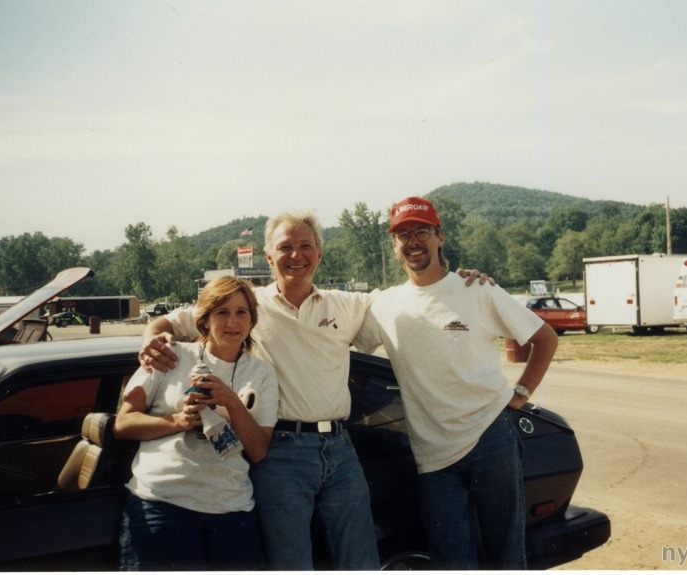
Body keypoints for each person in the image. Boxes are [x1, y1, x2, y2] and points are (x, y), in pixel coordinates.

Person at [138, 211, 489, 570]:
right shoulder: (246, 307)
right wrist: (153, 340)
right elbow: (171, 321)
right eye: (285, 247)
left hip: (340, 451)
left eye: (306, 246)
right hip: (279, 453)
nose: (297, 255)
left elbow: (414, 300)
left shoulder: (349, 305)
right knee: (292, 563)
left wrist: (457, 282)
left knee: (361, 560)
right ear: (269, 256)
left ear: (320, 254)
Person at [353, 196, 559, 569]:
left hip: (490, 437)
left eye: (421, 231)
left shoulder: (476, 289)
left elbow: (544, 338)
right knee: (450, 558)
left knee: (506, 552)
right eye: (403, 234)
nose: (413, 241)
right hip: (432, 453)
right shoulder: (384, 304)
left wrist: (521, 394)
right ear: (394, 246)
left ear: (439, 237)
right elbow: (336, 339)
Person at [114, 275, 278, 571]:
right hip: (163, 503)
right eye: (222, 312)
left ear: (252, 320)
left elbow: (258, 451)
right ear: (204, 320)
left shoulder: (262, 373)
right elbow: (123, 423)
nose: (232, 322)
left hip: (231, 508)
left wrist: (230, 400)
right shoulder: (171, 355)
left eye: (242, 312)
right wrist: (178, 420)